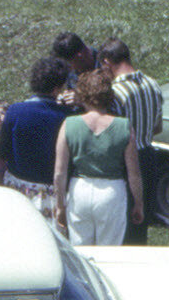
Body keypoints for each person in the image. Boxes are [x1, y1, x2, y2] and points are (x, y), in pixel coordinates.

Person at [54, 68, 144, 244]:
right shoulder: (123, 126)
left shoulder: (69, 124)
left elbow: (59, 172)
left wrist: (60, 205)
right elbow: (134, 173)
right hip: (111, 192)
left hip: (79, 189)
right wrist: (138, 203)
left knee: (81, 251)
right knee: (109, 252)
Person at [99, 38, 164, 244]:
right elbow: (158, 127)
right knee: (141, 223)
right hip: (149, 158)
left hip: (126, 165)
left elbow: (113, 137)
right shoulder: (153, 84)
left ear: (107, 62)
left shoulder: (115, 94)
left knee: (122, 224)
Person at [0, 58, 70, 219]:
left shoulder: (15, 111)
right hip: (51, 191)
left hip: (19, 188)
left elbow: (2, 151)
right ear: (57, 88)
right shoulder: (66, 116)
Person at [51, 33, 94, 109]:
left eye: (69, 64)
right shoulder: (72, 73)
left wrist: (83, 100)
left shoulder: (106, 64)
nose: (69, 68)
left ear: (79, 56)